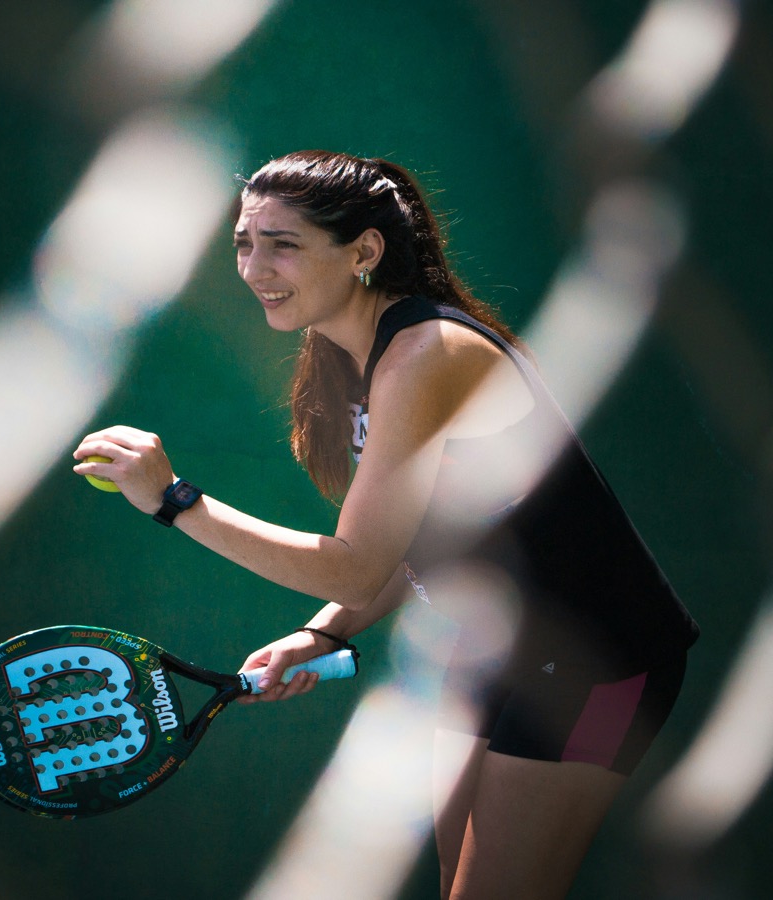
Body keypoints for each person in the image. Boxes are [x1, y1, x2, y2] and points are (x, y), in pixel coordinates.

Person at [74, 150, 698, 899]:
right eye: (244, 242)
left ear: (364, 252)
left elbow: (355, 565)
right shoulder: (352, 362)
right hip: (493, 651)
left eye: (283, 244)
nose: (255, 268)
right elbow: (420, 543)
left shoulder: (425, 355)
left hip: (600, 659)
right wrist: (322, 634)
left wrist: (174, 500)